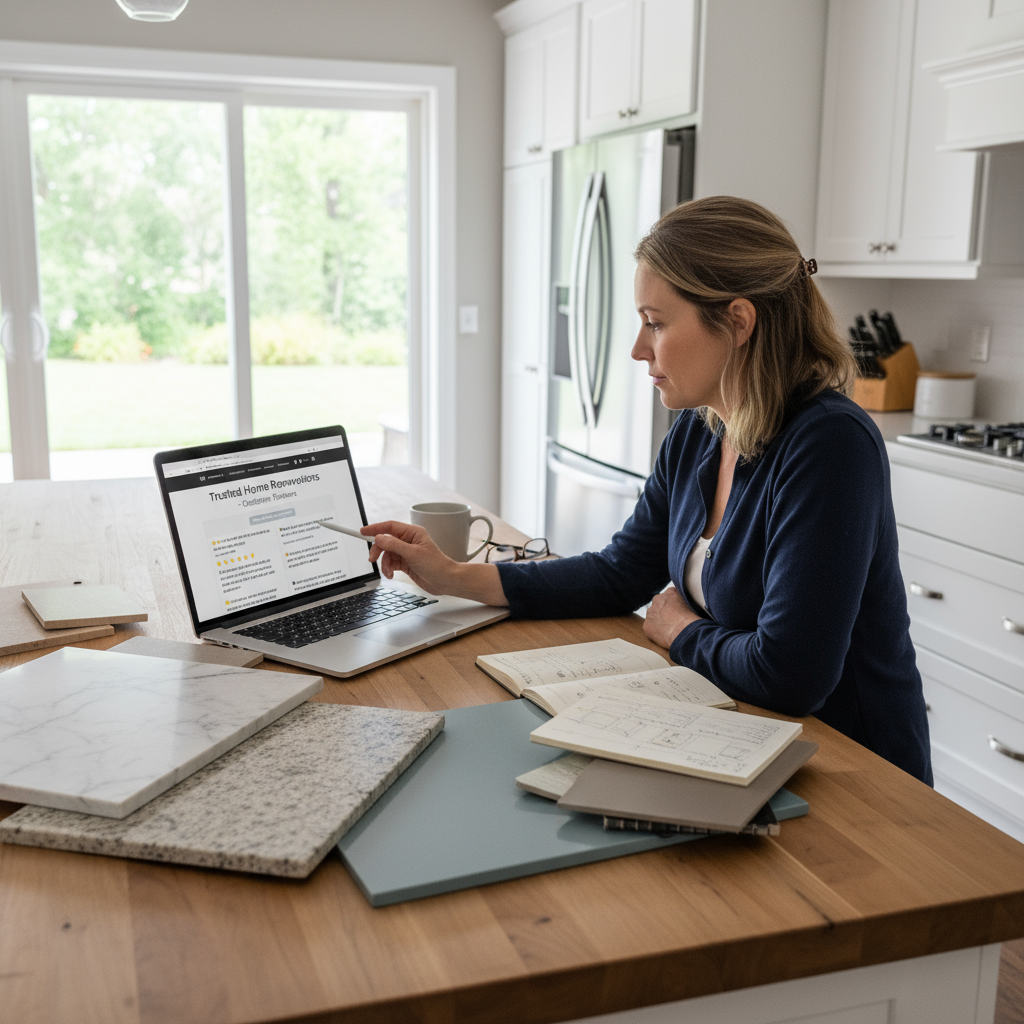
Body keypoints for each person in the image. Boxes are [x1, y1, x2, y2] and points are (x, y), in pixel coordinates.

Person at [362, 196, 932, 785]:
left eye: (656, 323)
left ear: (738, 322)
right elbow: (619, 573)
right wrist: (454, 576)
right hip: (743, 738)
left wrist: (680, 630)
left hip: (854, 772)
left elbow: (789, 674)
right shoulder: (700, 428)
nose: (638, 349)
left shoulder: (829, 444)